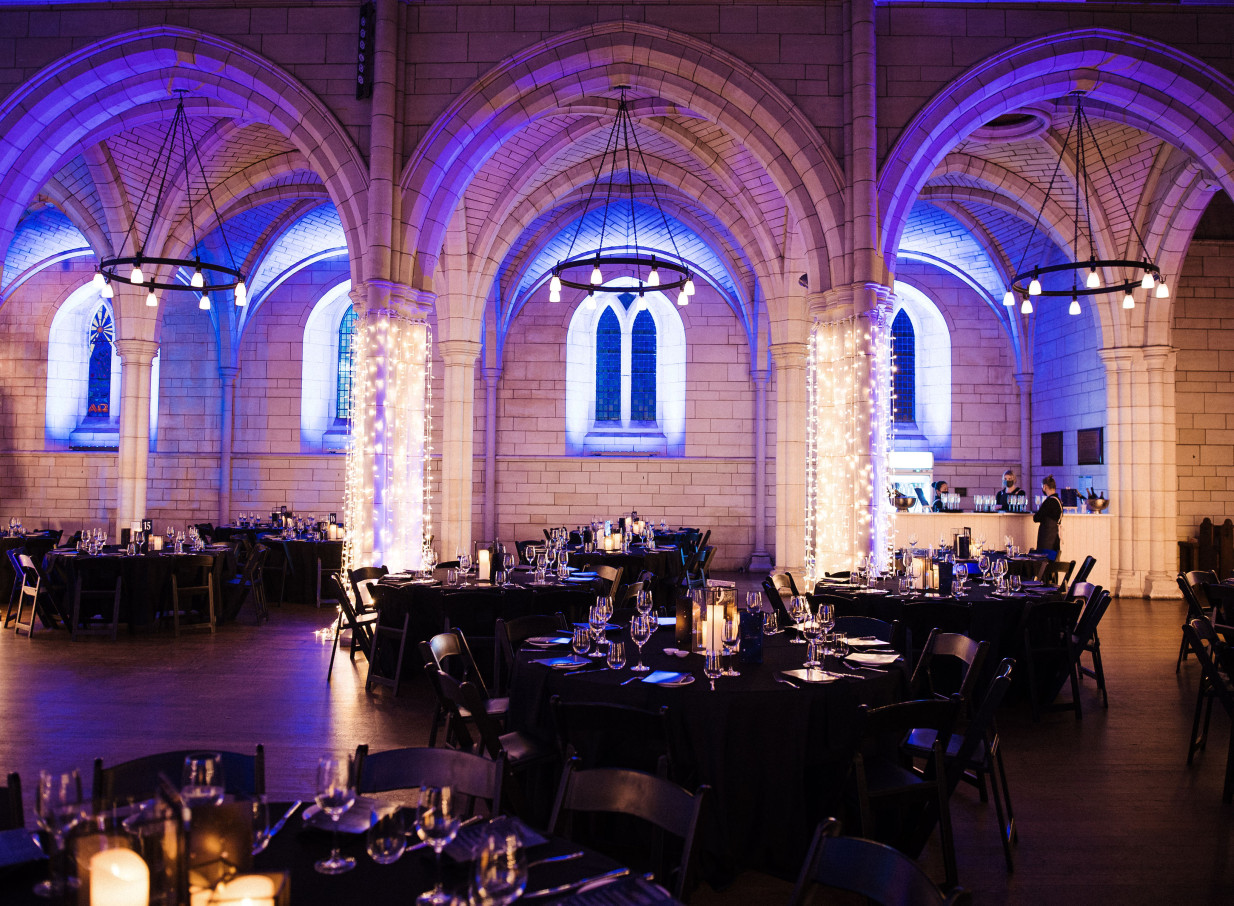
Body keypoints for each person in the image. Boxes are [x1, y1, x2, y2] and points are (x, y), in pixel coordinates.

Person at [1033, 475, 1063, 553]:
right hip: (1054, 535)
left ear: (1045, 486)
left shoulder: (1049, 501)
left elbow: (1036, 518)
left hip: (1047, 537)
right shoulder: (1058, 500)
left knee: (1044, 560)